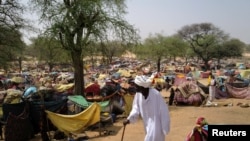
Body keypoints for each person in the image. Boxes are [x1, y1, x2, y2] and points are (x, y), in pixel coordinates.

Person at [123, 74, 170, 141]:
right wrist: (129, 119)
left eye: (137, 86)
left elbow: (164, 111)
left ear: (142, 87)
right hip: (147, 124)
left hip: (156, 125)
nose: (135, 88)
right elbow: (136, 108)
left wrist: (165, 126)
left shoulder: (155, 94)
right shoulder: (138, 95)